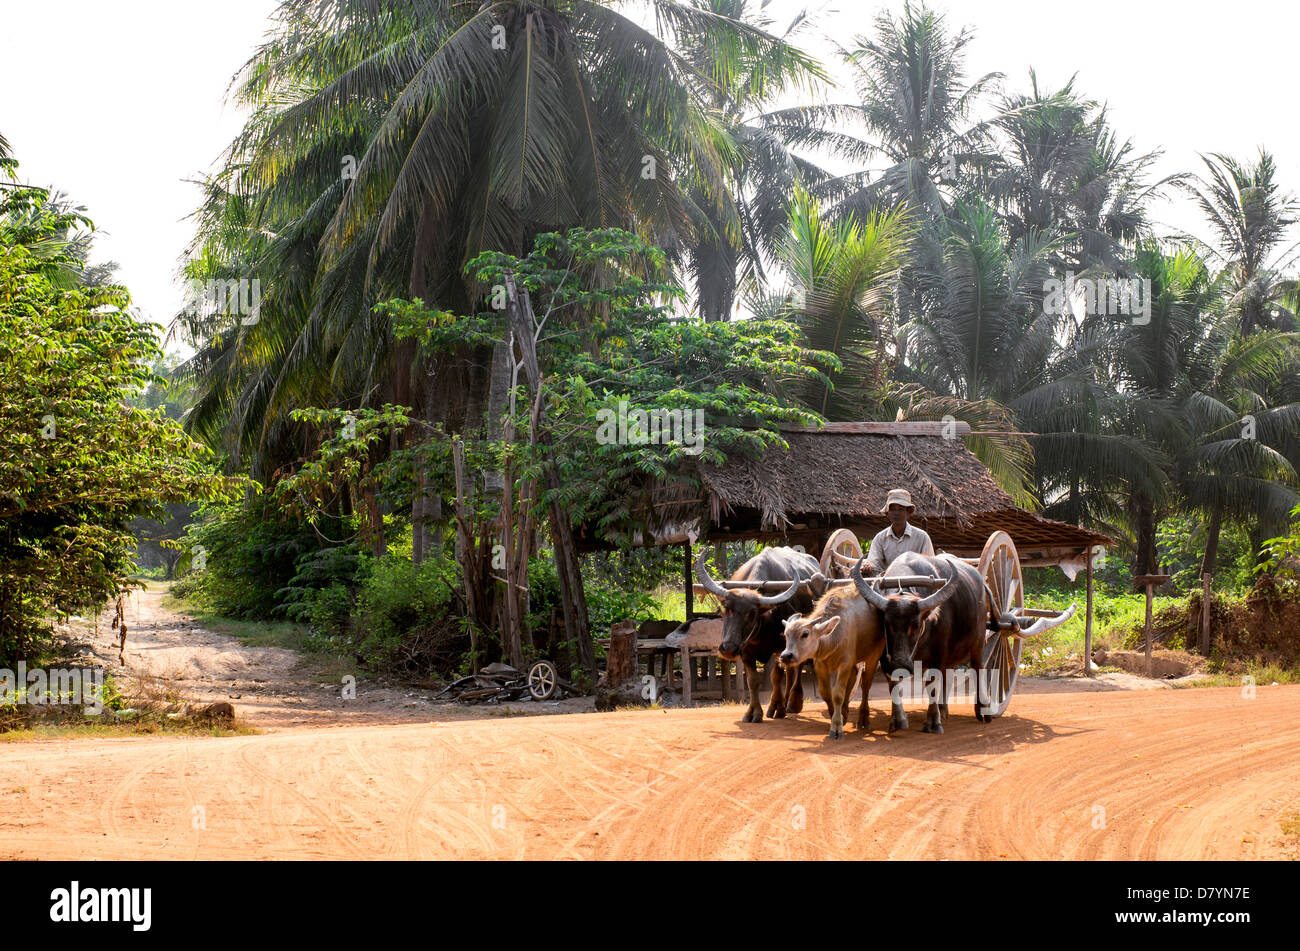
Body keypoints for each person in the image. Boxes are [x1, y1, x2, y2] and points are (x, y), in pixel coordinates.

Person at [865, 488, 934, 573]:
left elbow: (930, 568)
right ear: (887, 513)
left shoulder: (922, 537)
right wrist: (868, 567)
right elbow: (874, 564)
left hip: (916, 585)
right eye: (892, 509)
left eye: (901, 509)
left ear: (908, 513)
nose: (896, 513)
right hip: (886, 584)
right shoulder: (880, 539)